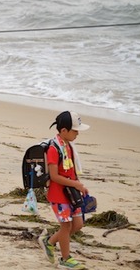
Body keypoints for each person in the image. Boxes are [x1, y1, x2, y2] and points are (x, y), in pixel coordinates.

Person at [39, 111, 90, 269]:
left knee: (78, 224)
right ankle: (65, 259)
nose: (77, 133)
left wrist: (79, 185)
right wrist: (75, 185)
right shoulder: (54, 149)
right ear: (63, 131)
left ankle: (49, 242)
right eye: (75, 130)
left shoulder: (68, 146)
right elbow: (54, 176)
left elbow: (72, 171)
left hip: (71, 194)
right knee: (66, 226)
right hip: (58, 194)